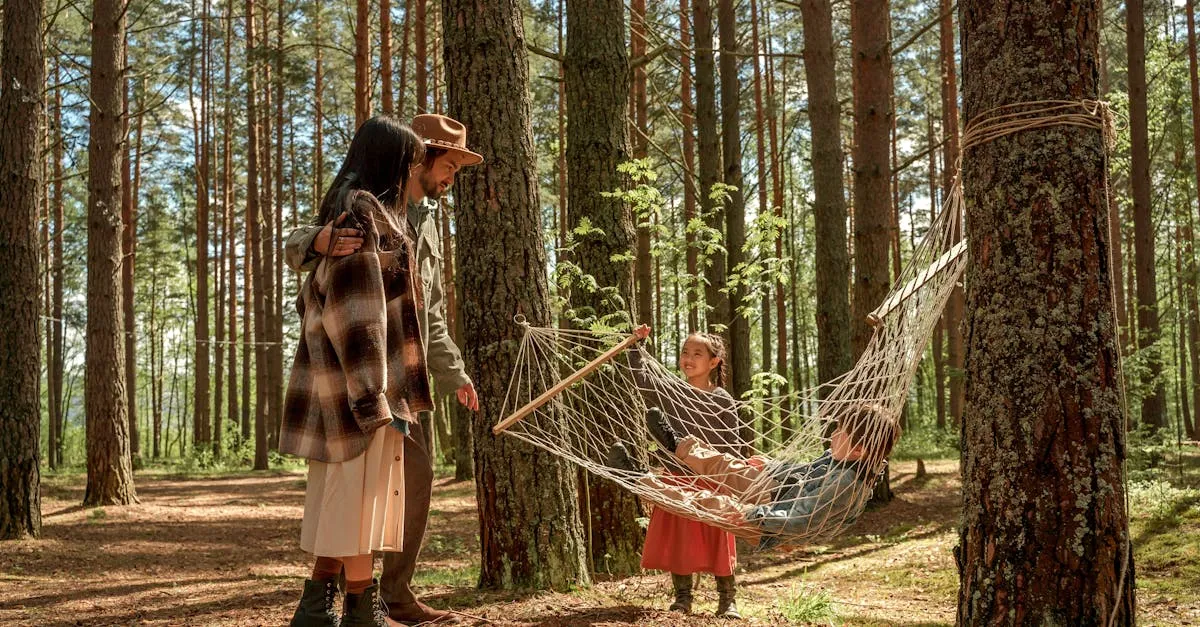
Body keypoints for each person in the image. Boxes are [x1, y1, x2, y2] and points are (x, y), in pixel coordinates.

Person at [284, 113, 482, 626]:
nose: (450, 178)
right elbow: (358, 310)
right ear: (416, 159)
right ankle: (360, 601)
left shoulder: (422, 220)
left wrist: (453, 373)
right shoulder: (364, 208)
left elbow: (426, 312)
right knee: (358, 488)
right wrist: (370, 392)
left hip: (400, 374)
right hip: (366, 376)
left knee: (375, 484)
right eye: (447, 166)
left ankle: (340, 600)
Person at [610, 401, 899, 549]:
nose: (833, 435)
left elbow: (806, 518)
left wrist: (757, 516)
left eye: (840, 432)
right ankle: (678, 446)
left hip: (773, 524)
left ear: (859, 450)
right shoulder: (842, 458)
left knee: (707, 503)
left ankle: (640, 480)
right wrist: (771, 466)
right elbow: (805, 473)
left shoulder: (847, 484)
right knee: (730, 466)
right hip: (779, 494)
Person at [613, 325, 745, 618]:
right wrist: (634, 346)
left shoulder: (721, 398)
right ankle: (683, 598)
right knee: (680, 540)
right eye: (685, 352)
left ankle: (728, 600)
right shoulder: (672, 391)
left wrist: (728, 478)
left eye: (697, 354)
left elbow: (733, 442)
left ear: (713, 362)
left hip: (710, 480)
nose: (689, 358)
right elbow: (643, 381)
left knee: (718, 539)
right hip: (677, 478)